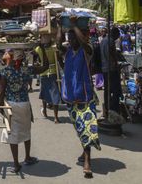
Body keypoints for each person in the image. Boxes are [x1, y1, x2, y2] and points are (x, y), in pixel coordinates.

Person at [57, 24, 101, 179]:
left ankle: (88, 162)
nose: (71, 41)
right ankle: (85, 150)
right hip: (70, 97)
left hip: (85, 96)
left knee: (86, 126)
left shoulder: (86, 51)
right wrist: (59, 28)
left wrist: (75, 26)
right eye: (70, 38)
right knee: (79, 128)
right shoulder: (68, 52)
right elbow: (57, 45)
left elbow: (84, 43)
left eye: (74, 38)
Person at [0, 49, 49, 174]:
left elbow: (2, 90)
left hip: (11, 104)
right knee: (26, 130)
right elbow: (45, 67)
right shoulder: (26, 70)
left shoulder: (5, 72)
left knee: (12, 133)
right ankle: (27, 157)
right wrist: (42, 48)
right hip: (24, 104)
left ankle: (16, 164)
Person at [33, 34, 61, 123]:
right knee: (55, 94)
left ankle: (45, 110)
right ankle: (56, 117)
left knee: (44, 93)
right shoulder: (54, 48)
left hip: (43, 73)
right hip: (53, 72)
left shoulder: (39, 49)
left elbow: (34, 56)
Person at [100, 27, 123, 117]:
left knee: (107, 89)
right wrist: (116, 63)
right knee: (115, 89)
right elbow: (111, 54)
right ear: (116, 34)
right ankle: (113, 108)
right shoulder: (110, 41)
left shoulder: (103, 40)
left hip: (105, 68)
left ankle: (107, 107)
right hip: (111, 69)